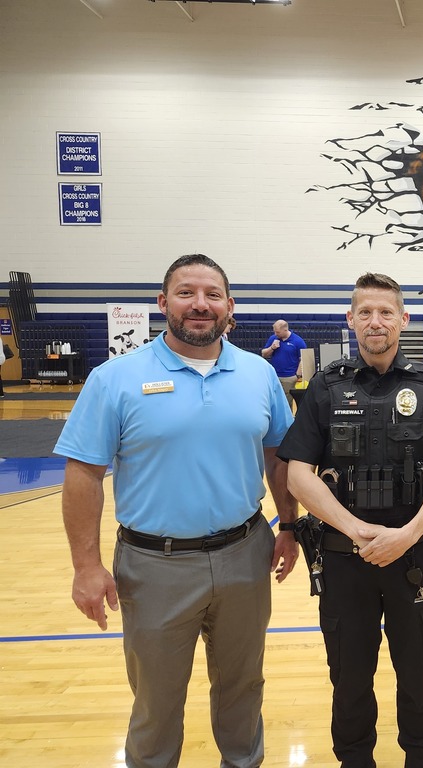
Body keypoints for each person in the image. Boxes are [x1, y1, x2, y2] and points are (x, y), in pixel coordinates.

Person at [55, 253, 299, 768]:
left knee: (242, 687)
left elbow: (279, 456)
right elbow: (82, 475)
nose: (200, 305)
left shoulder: (258, 375)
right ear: (163, 303)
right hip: (153, 565)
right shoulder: (114, 378)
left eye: (212, 294)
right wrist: (86, 566)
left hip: (245, 553)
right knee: (156, 701)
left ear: (230, 307)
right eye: (186, 293)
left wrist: (290, 525)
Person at [277, 272, 423, 768]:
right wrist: (354, 529)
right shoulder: (324, 388)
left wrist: (407, 533)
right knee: (348, 679)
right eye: (365, 312)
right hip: (346, 562)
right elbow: (298, 475)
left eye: (386, 312)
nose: (375, 321)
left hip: (415, 559)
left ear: (403, 320)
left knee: (418, 674)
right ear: (351, 319)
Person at [262, 319, 307, 407]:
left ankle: (287, 420)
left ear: (285, 330)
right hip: (274, 376)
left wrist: (297, 375)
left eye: (278, 332)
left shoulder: (298, 341)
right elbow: (264, 354)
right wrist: (272, 348)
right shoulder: (273, 339)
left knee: (286, 402)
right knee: (273, 401)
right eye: (275, 332)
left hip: (289, 377)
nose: (276, 334)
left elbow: (303, 359)